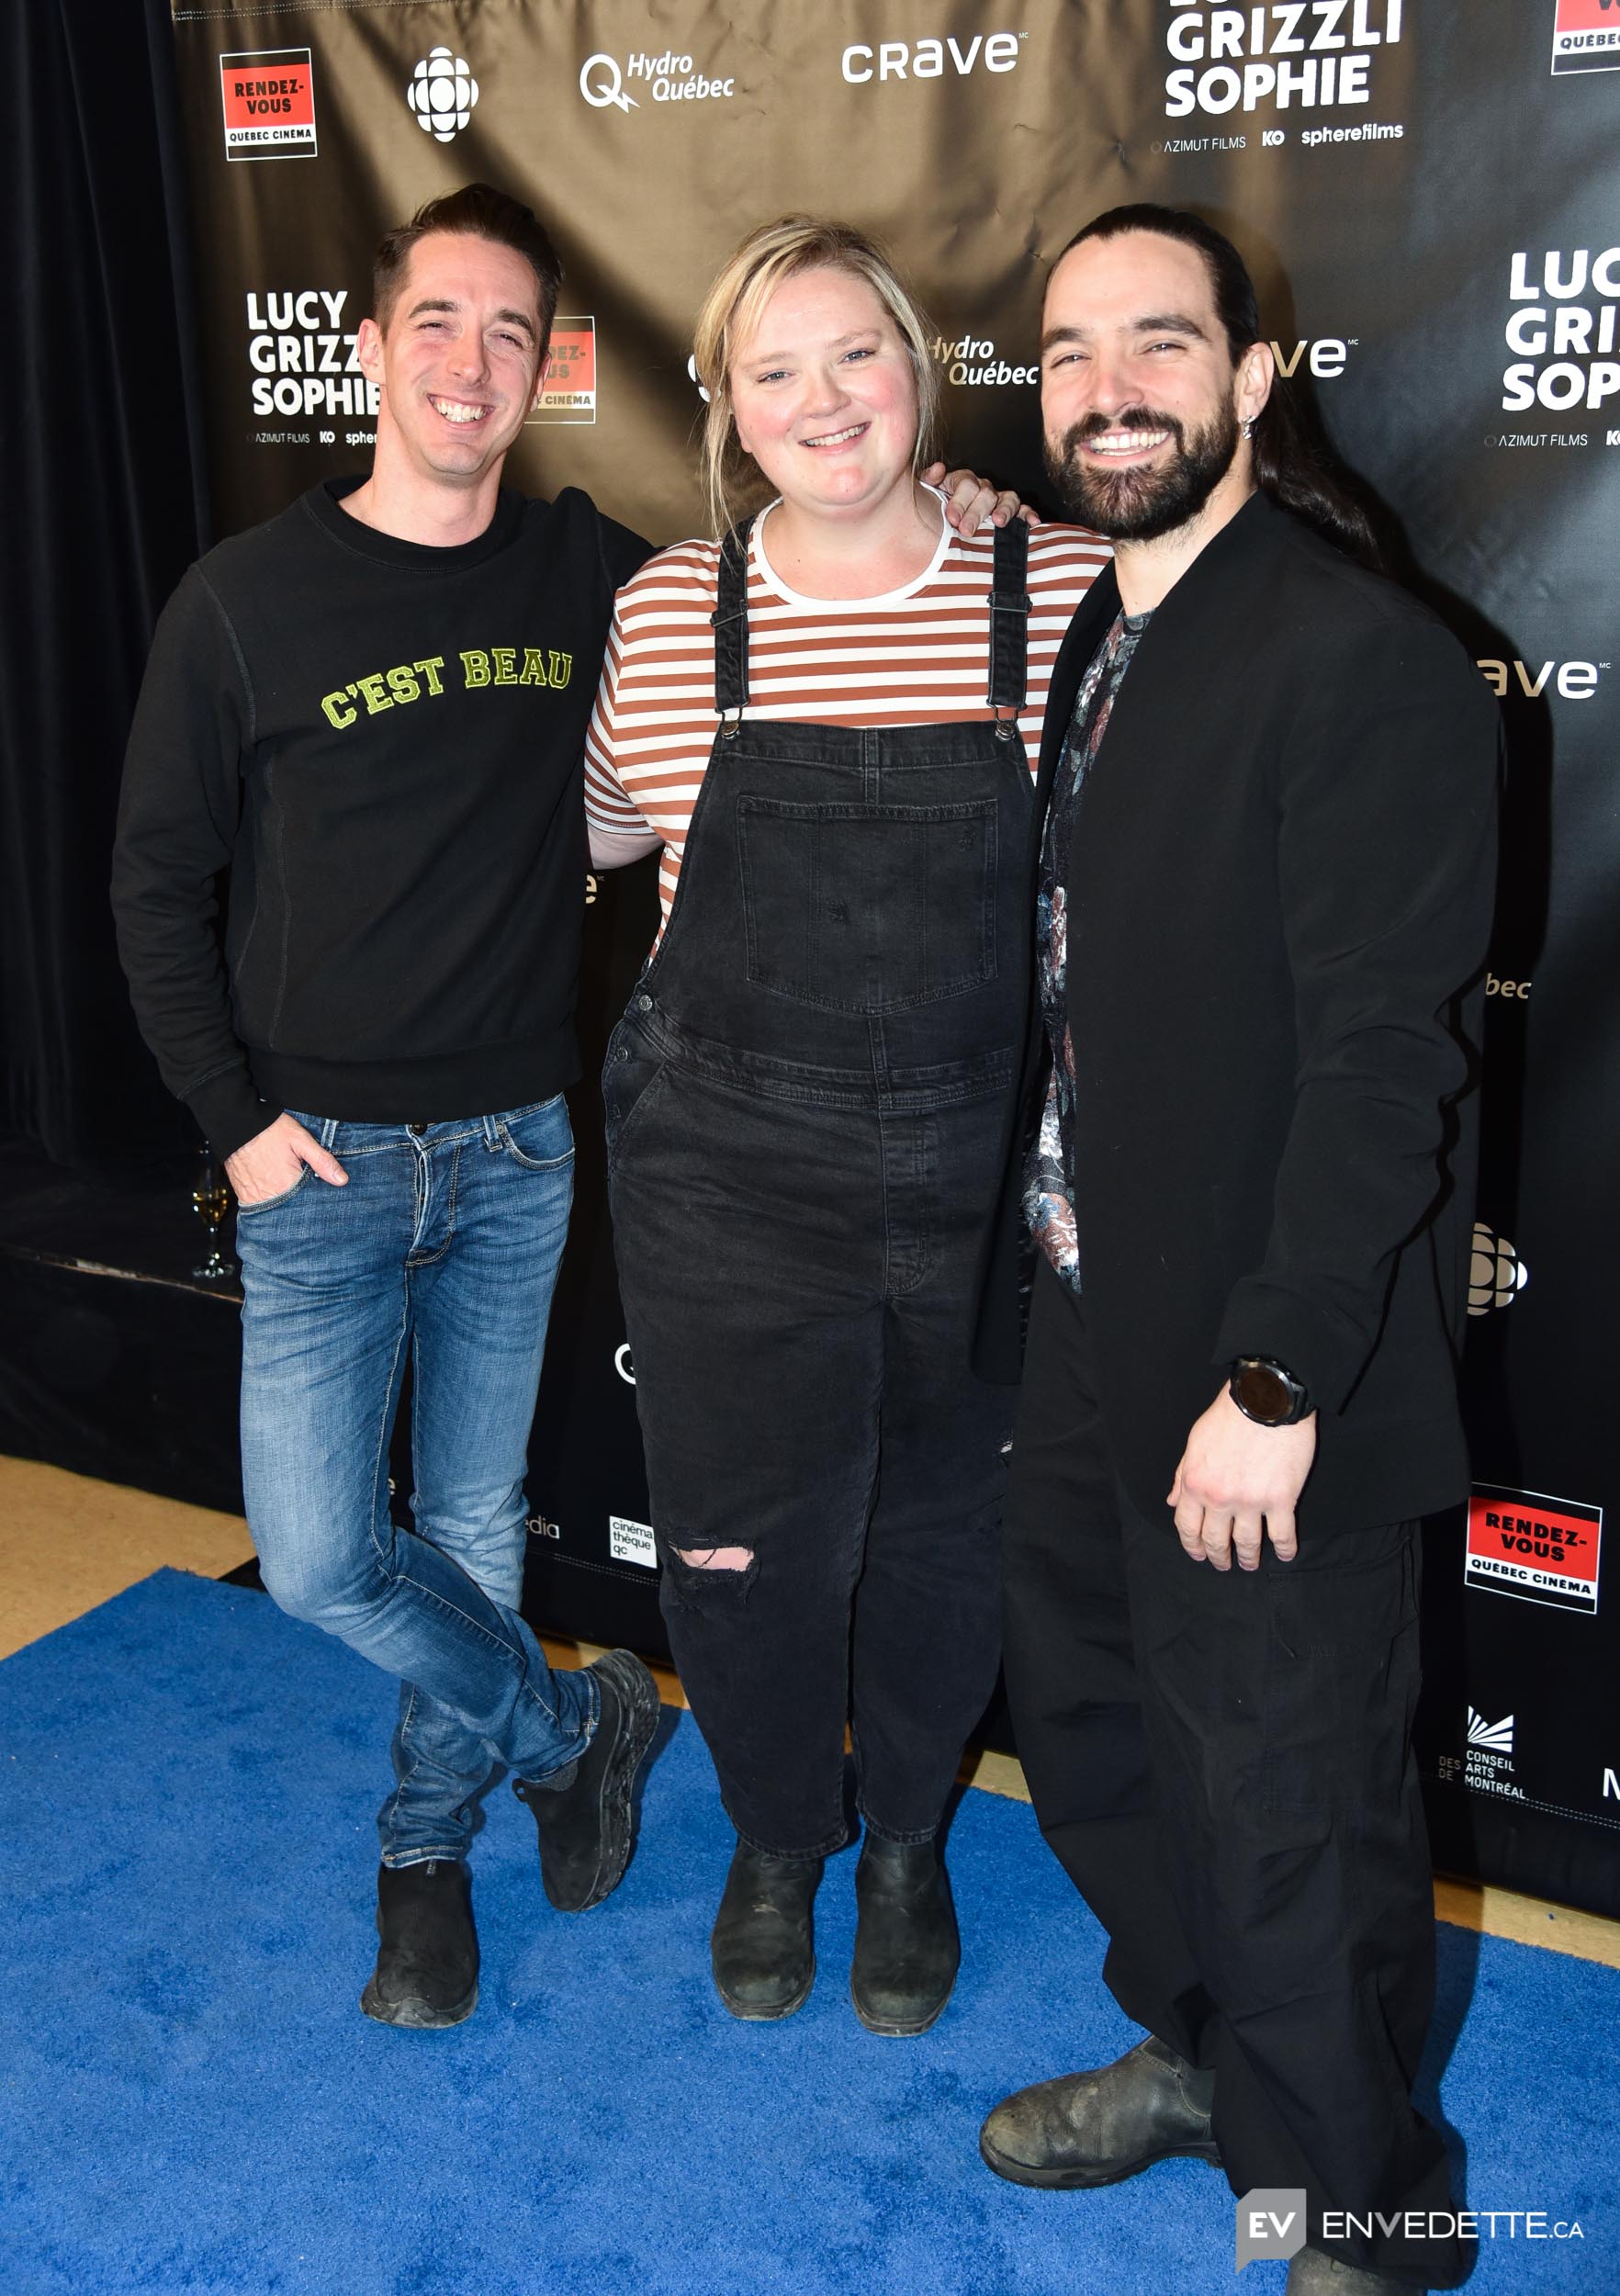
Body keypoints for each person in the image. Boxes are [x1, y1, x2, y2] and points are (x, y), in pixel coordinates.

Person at [111, 182, 1014, 2032]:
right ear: (368, 345)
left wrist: (974, 518)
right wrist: (235, 1122)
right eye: (435, 321)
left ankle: (424, 1848)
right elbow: (151, 883)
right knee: (314, 1555)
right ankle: (568, 1715)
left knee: (469, 1528)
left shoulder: (601, 574)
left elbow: (814, 577)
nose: (468, 363)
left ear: (549, 371)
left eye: (510, 333)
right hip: (320, 1163)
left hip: (524, 1150)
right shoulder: (244, 601)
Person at [971, 205, 1497, 2293]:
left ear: (1252, 382)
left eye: (1163, 343)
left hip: (1265, 1370)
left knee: (1288, 1804)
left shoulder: (1359, 660)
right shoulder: (1113, 626)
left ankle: (1367, 2198)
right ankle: (1210, 2061)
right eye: (1075, 348)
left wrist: (1277, 1374)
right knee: (1104, 1740)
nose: (1112, 385)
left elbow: (1388, 1066)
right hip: (1092, 1319)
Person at [584, 217, 1109, 2035]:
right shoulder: (670, 609)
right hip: (727, 1175)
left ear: (921, 371)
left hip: (979, 1172)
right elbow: (594, 833)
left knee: (947, 1535)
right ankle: (774, 1834)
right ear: (724, 404)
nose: (824, 401)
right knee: (740, 1544)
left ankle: (902, 1835)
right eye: (775, 369)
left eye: (858, 355)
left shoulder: (1055, 588)